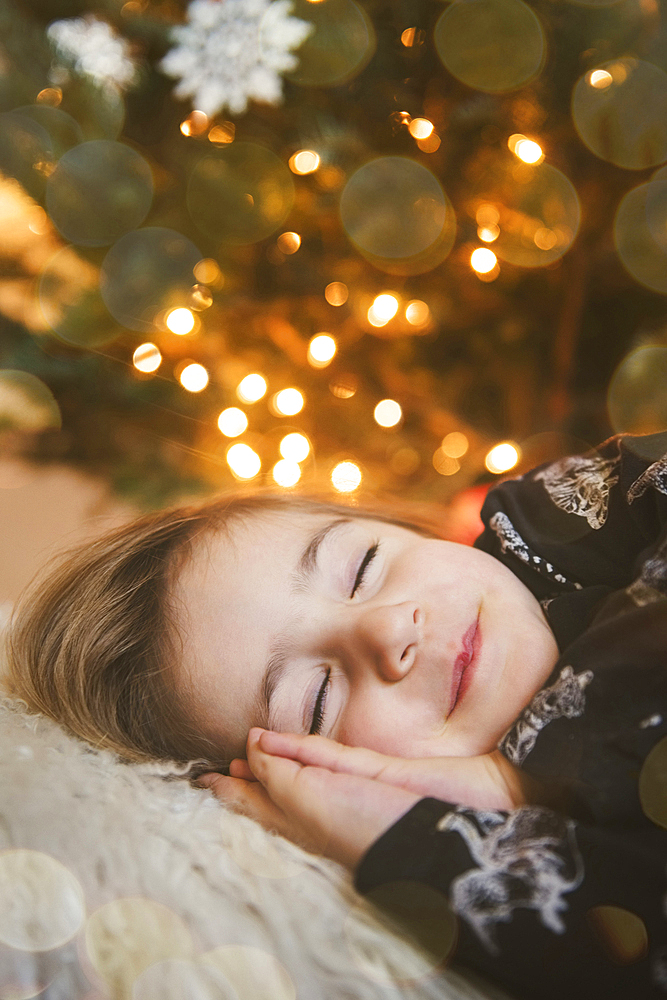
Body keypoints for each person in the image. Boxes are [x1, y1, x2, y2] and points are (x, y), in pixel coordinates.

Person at [6, 431, 667, 999]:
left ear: (405, 530)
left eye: (362, 567)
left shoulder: (556, 520)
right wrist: (401, 837)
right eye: (317, 700)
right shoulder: (541, 849)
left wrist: (523, 773)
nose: (386, 630)